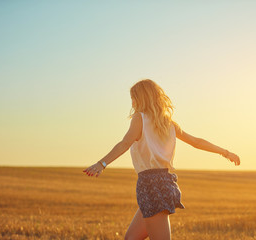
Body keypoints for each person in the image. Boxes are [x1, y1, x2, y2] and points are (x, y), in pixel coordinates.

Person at [83, 79, 240, 240]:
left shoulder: (140, 118)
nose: (132, 102)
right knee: (131, 238)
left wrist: (102, 163)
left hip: (151, 184)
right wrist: (225, 152)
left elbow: (125, 143)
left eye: (133, 97)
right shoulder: (168, 124)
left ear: (141, 98)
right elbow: (196, 142)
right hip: (165, 182)